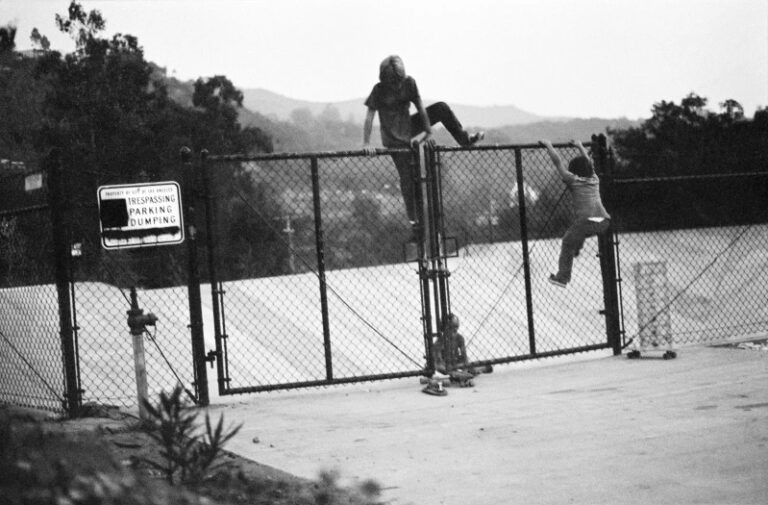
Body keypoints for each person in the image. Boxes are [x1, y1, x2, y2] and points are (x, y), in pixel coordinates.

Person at [363, 55, 484, 224]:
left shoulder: (409, 83)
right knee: (408, 177)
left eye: (398, 82)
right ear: (384, 80)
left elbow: (419, 105)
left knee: (441, 108)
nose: (396, 86)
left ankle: (464, 139)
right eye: (392, 83)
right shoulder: (378, 90)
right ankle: (414, 219)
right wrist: (367, 144)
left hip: (408, 126)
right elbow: (370, 116)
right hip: (394, 138)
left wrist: (428, 130)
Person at [540, 139, 611, 287]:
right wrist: (579, 146)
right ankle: (575, 248)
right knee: (578, 232)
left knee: (567, 241)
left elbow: (557, 162)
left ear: (574, 170)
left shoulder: (573, 180)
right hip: (604, 222)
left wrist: (549, 145)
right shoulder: (594, 179)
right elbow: (588, 162)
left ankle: (562, 277)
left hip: (587, 221)